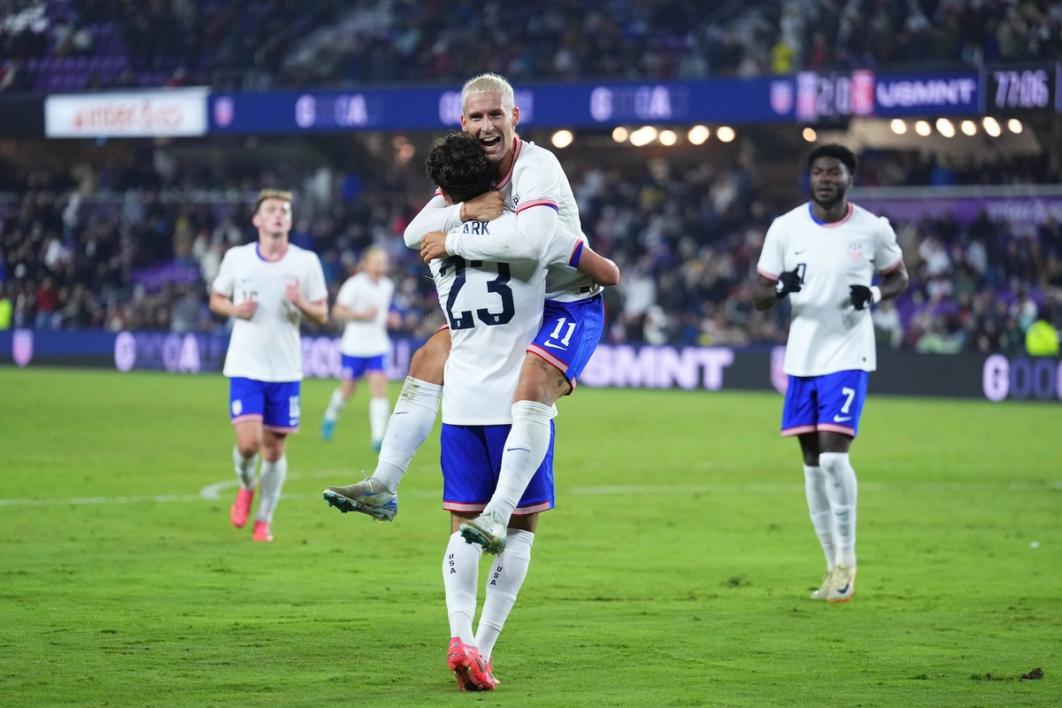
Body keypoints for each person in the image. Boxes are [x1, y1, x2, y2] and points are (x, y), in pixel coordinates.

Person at [324, 74, 615, 556]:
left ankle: (499, 513)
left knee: (532, 383)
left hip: (567, 301)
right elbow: (413, 234)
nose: (486, 126)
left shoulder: (538, 166)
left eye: (495, 115)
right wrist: (463, 212)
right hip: (519, 297)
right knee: (428, 357)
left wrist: (454, 238)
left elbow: (528, 247)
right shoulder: (470, 173)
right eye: (476, 117)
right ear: (464, 123)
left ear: (513, 117)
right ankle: (383, 483)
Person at [393, 131, 616, 691]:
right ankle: (484, 648)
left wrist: (455, 228)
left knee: (458, 523)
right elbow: (604, 272)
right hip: (517, 392)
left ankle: (458, 636)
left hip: (466, 397)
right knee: (518, 529)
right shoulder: (526, 233)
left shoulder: (439, 236)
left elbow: (414, 232)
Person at [752, 144, 909, 603]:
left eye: (833, 172)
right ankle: (832, 566)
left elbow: (899, 277)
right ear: (811, 179)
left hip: (849, 354)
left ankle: (849, 561)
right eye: (818, 172)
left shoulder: (872, 228)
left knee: (836, 458)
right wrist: (782, 287)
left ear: (849, 179)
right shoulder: (785, 228)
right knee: (813, 468)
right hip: (801, 359)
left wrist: (876, 295)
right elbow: (758, 294)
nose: (825, 179)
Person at [209, 189, 328, 542]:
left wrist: (300, 302)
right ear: (257, 220)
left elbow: (322, 313)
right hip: (246, 365)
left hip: (285, 369)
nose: (278, 215)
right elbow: (216, 298)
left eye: (284, 211)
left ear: (290, 221)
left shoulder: (306, 262)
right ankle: (246, 486)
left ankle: (264, 519)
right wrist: (234, 310)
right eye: (271, 210)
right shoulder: (237, 258)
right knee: (248, 445)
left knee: (274, 450)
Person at [320, 247, 395, 449]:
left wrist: (390, 319)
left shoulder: (387, 285)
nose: (381, 264)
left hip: (378, 345)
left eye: (383, 260)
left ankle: (378, 438)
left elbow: (381, 314)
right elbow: (338, 311)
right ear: (366, 263)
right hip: (354, 345)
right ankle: (331, 415)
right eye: (377, 260)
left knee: (379, 387)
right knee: (348, 389)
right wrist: (362, 316)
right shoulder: (354, 285)